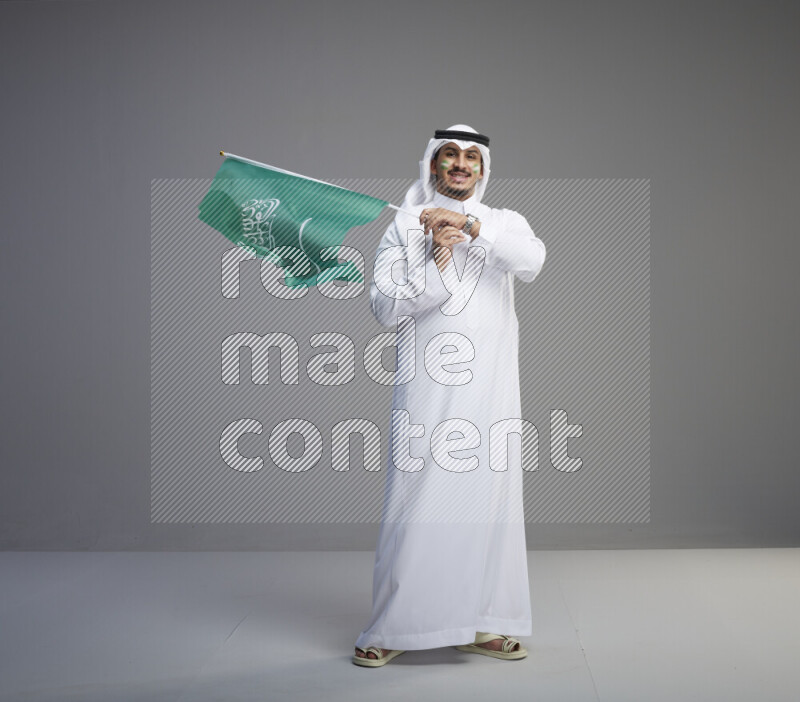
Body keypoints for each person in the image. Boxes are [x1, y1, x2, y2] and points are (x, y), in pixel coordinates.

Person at [352, 125, 546, 667]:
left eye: (471, 157)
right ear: (433, 164)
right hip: (428, 390)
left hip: (492, 390)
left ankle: (481, 622)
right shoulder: (403, 225)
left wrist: (470, 227)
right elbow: (385, 308)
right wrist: (435, 253)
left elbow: (531, 262)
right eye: (450, 155)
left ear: (483, 168)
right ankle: (394, 626)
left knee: (489, 503)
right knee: (417, 501)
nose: (461, 164)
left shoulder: (504, 222)